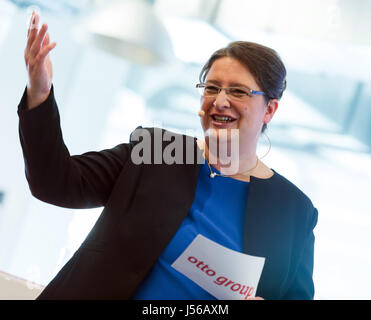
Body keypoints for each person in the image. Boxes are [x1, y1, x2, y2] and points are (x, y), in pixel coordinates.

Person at [19, 12, 318, 300]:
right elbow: (54, 182)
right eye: (212, 88)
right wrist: (40, 93)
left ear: (269, 109)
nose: (221, 101)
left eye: (239, 92)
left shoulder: (294, 212)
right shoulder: (156, 152)